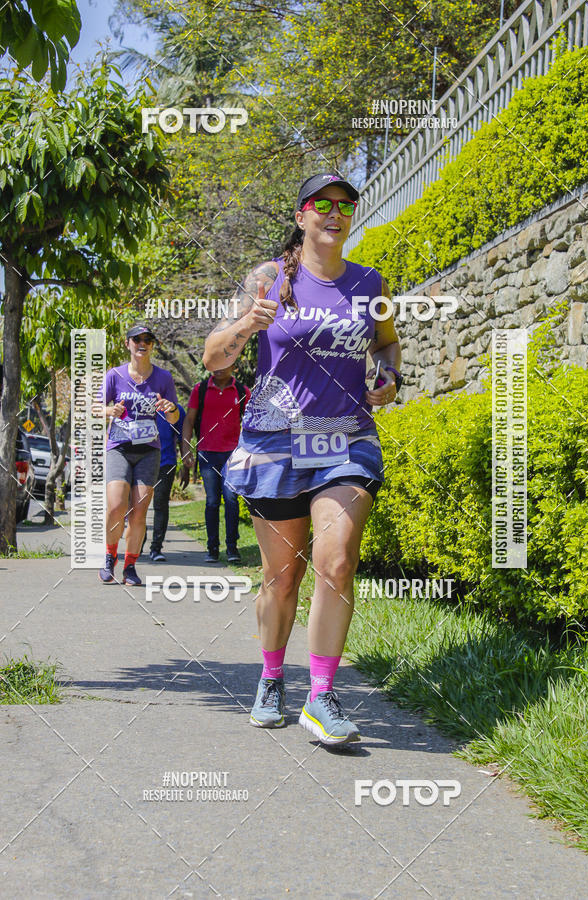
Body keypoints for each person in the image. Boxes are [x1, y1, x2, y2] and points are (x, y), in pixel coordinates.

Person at [202, 173, 402, 745]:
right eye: (323, 205)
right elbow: (215, 356)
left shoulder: (369, 282)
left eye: (345, 205)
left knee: (337, 562)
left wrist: (388, 373)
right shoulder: (270, 278)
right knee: (281, 578)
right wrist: (246, 323)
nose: (334, 214)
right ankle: (271, 678)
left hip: (346, 439)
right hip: (275, 442)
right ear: (301, 215)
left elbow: (385, 341)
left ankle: (321, 695)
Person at [98, 324, 180, 585]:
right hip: (119, 448)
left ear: (152, 345)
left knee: (138, 512)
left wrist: (171, 408)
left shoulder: (163, 378)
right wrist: (108, 411)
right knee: (116, 506)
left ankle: (130, 566)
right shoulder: (115, 375)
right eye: (137, 339)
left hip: (148, 451)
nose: (142, 343)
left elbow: (174, 416)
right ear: (128, 344)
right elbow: (94, 407)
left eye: (147, 339)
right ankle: (110, 556)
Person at [181, 365, 250, 563]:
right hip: (208, 453)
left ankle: (232, 548)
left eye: (223, 363)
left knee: (230, 499)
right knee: (212, 501)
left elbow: (251, 422)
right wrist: (187, 449)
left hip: (233, 454)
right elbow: (189, 420)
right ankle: (212, 549)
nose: (218, 367)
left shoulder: (242, 391)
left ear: (234, 366)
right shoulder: (200, 389)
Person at [145, 400, 186, 561]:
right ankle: (138, 543)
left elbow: (183, 438)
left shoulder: (176, 410)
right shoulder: (139, 408)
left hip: (166, 463)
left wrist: (186, 466)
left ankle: (156, 548)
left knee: (160, 504)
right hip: (143, 462)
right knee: (138, 505)